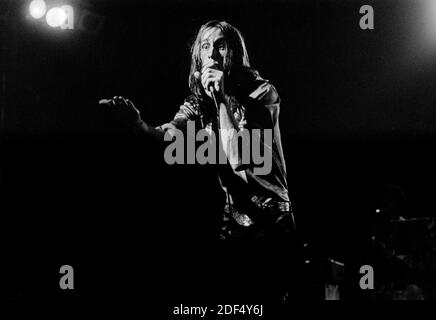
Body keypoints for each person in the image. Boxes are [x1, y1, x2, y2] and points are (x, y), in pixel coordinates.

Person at [100, 20, 298, 303]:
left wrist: (221, 97)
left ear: (235, 52)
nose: (213, 53)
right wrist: (138, 123)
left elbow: (241, 158)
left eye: (221, 45)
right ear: (199, 56)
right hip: (234, 217)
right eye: (206, 46)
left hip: (270, 213)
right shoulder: (196, 102)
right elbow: (167, 136)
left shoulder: (262, 92)